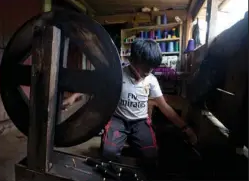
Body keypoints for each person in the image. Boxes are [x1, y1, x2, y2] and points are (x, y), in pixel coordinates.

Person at [62, 40, 197, 163]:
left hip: (140, 122)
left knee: (151, 155)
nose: (148, 72)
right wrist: (73, 97)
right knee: (108, 153)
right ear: (132, 60)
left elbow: (164, 106)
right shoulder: (119, 74)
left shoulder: (151, 80)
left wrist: (185, 128)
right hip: (118, 120)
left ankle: (134, 141)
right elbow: (95, 84)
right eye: (145, 68)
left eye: (151, 69)